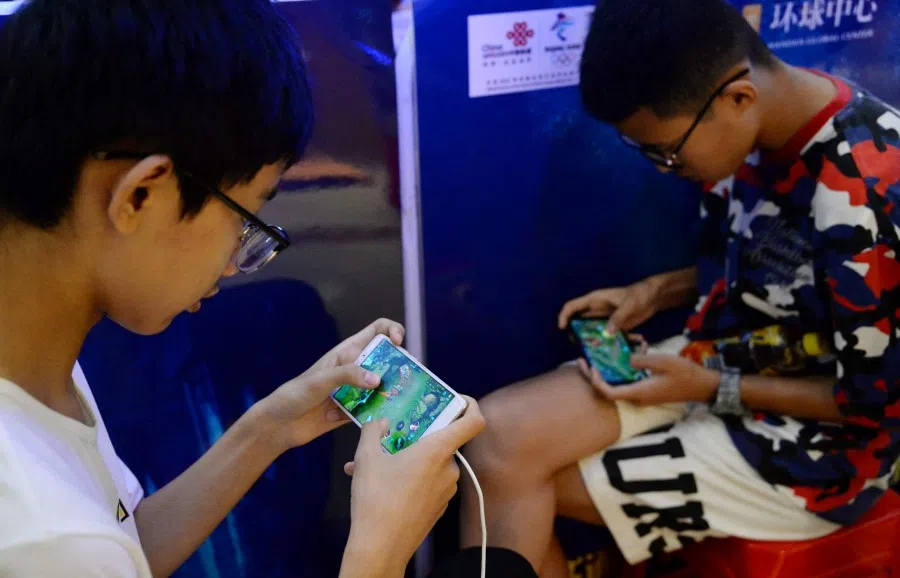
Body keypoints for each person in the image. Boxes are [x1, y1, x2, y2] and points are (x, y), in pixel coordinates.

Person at [0, 1, 483, 577]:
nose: (236, 264)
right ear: (140, 196)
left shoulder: (34, 364)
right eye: (247, 216)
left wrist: (268, 428)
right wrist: (380, 546)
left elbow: (121, 552)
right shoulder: (40, 534)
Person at [457, 0, 900, 576]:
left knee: (521, 485)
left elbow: (878, 402)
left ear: (737, 98)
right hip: (725, 359)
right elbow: (794, 270)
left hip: (821, 456)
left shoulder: (868, 186)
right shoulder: (764, 119)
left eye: (667, 151)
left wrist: (713, 388)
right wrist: (656, 291)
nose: (665, 168)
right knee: (492, 445)